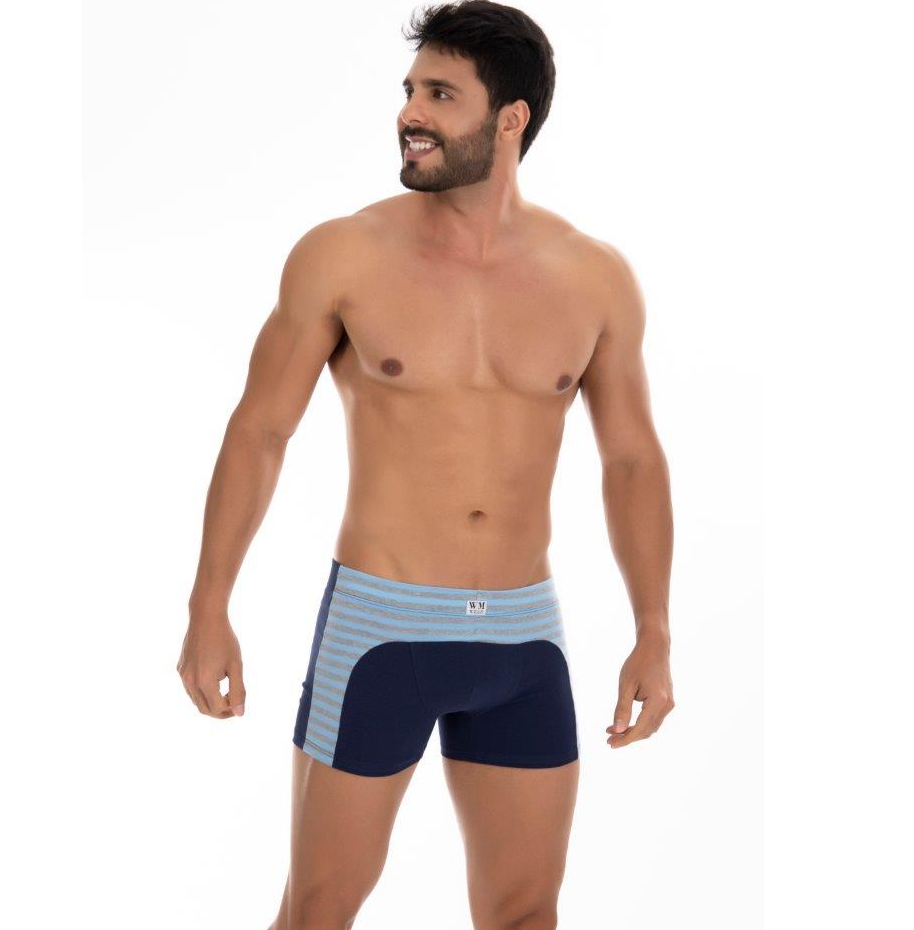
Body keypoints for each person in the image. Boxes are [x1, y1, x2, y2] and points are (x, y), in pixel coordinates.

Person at [176, 2, 674, 928]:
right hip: (381, 629)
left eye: (441, 94)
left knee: (526, 912)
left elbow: (633, 460)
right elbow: (260, 431)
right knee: (320, 908)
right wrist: (210, 606)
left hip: (525, 638)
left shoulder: (594, 276)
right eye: (410, 90)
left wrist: (654, 629)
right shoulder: (343, 255)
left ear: (511, 118)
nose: (410, 111)